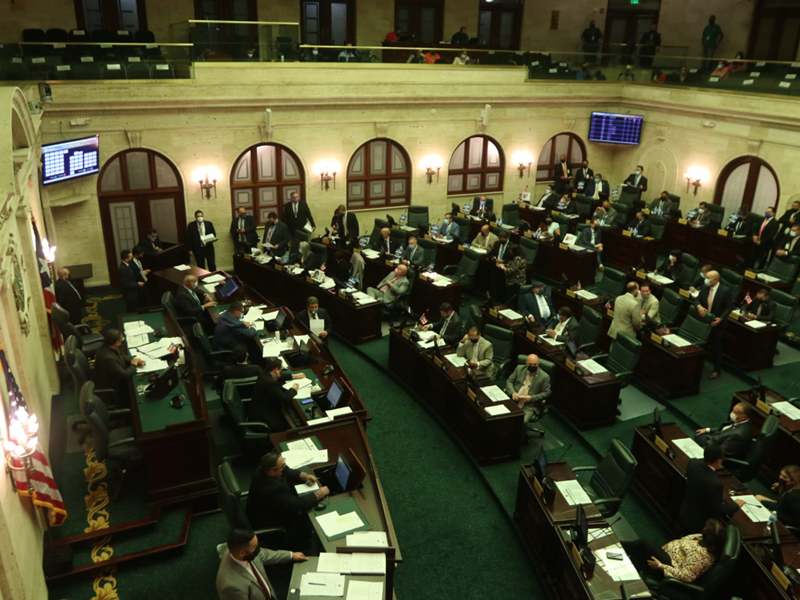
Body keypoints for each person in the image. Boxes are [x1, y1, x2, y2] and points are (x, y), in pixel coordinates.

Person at [245, 451, 331, 552]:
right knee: (304, 522)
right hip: (269, 518)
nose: (284, 467)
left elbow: (287, 471)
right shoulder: (272, 489)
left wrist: (304, 476)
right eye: (282, 466)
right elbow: (298, 504)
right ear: (272, 471)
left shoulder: (264, 468)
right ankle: (305, 546)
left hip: (265, 507)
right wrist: (320, 493)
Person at [624, 519, 727, 584]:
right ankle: (623, 581)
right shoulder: (700, 537)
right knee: (640, 555)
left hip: (668, 568)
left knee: (644, 543)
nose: (703, 528)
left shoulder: (702, 557)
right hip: (666, 555)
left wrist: (660, 566)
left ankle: (618, 545)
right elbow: (680, 541)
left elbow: (687, 576)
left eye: (705, 529)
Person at [216, 527, 306, 600]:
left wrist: (291, 555)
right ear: (242, 553)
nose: (259, 549)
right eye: (255, 546)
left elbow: (264, 554)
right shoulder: (231, 587)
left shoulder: (237, 550)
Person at [679, 444, 743, 533]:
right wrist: (736, 505)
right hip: (698, 522)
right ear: (719, 461)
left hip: (685, 511)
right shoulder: (715, 483)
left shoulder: (692, 463)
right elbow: (718, 508)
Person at [696, 270, 732, 380]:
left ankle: (717, 370)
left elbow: (729, 307)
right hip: (705, 321)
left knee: (717, 347)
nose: (705, 279)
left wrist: (721, 318)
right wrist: (699, 306)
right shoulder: (705, 287)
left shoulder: (725, 291)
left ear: (715, 280)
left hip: (718, 323)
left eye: (707, 277)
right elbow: (697, 299)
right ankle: (698, 366)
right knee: (701, 345)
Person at [506, 353, 551, 440]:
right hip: (515, 399)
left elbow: (546, 393)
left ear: (538, 364)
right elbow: (509, 381)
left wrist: (531, 398)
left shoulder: (545, 377)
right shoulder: (519, 368)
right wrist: (512, 393)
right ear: (526, 363)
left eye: (535, 364)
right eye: (530, 364)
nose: (533, 366)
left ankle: (519, 440)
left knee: (523, 421)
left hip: (530, 405)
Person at [249, 358, 300, 434]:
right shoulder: (270, 383)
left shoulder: (264, 373)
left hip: (257, 408)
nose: (280, 372)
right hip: (265, 416)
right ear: (276, 370)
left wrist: (293, 376)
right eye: (280, 370)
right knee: (289, 425)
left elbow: (279, 376)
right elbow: (285, 398)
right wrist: (293, 389)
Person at [94, 329, 145, 400]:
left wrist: (134, 360)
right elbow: (124, 375)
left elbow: (122, 356)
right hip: (113, 387)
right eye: (122, 339)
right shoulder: (109, 359)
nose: (122, 341)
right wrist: (134, 365)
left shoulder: (108, 346)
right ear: (117, 342)